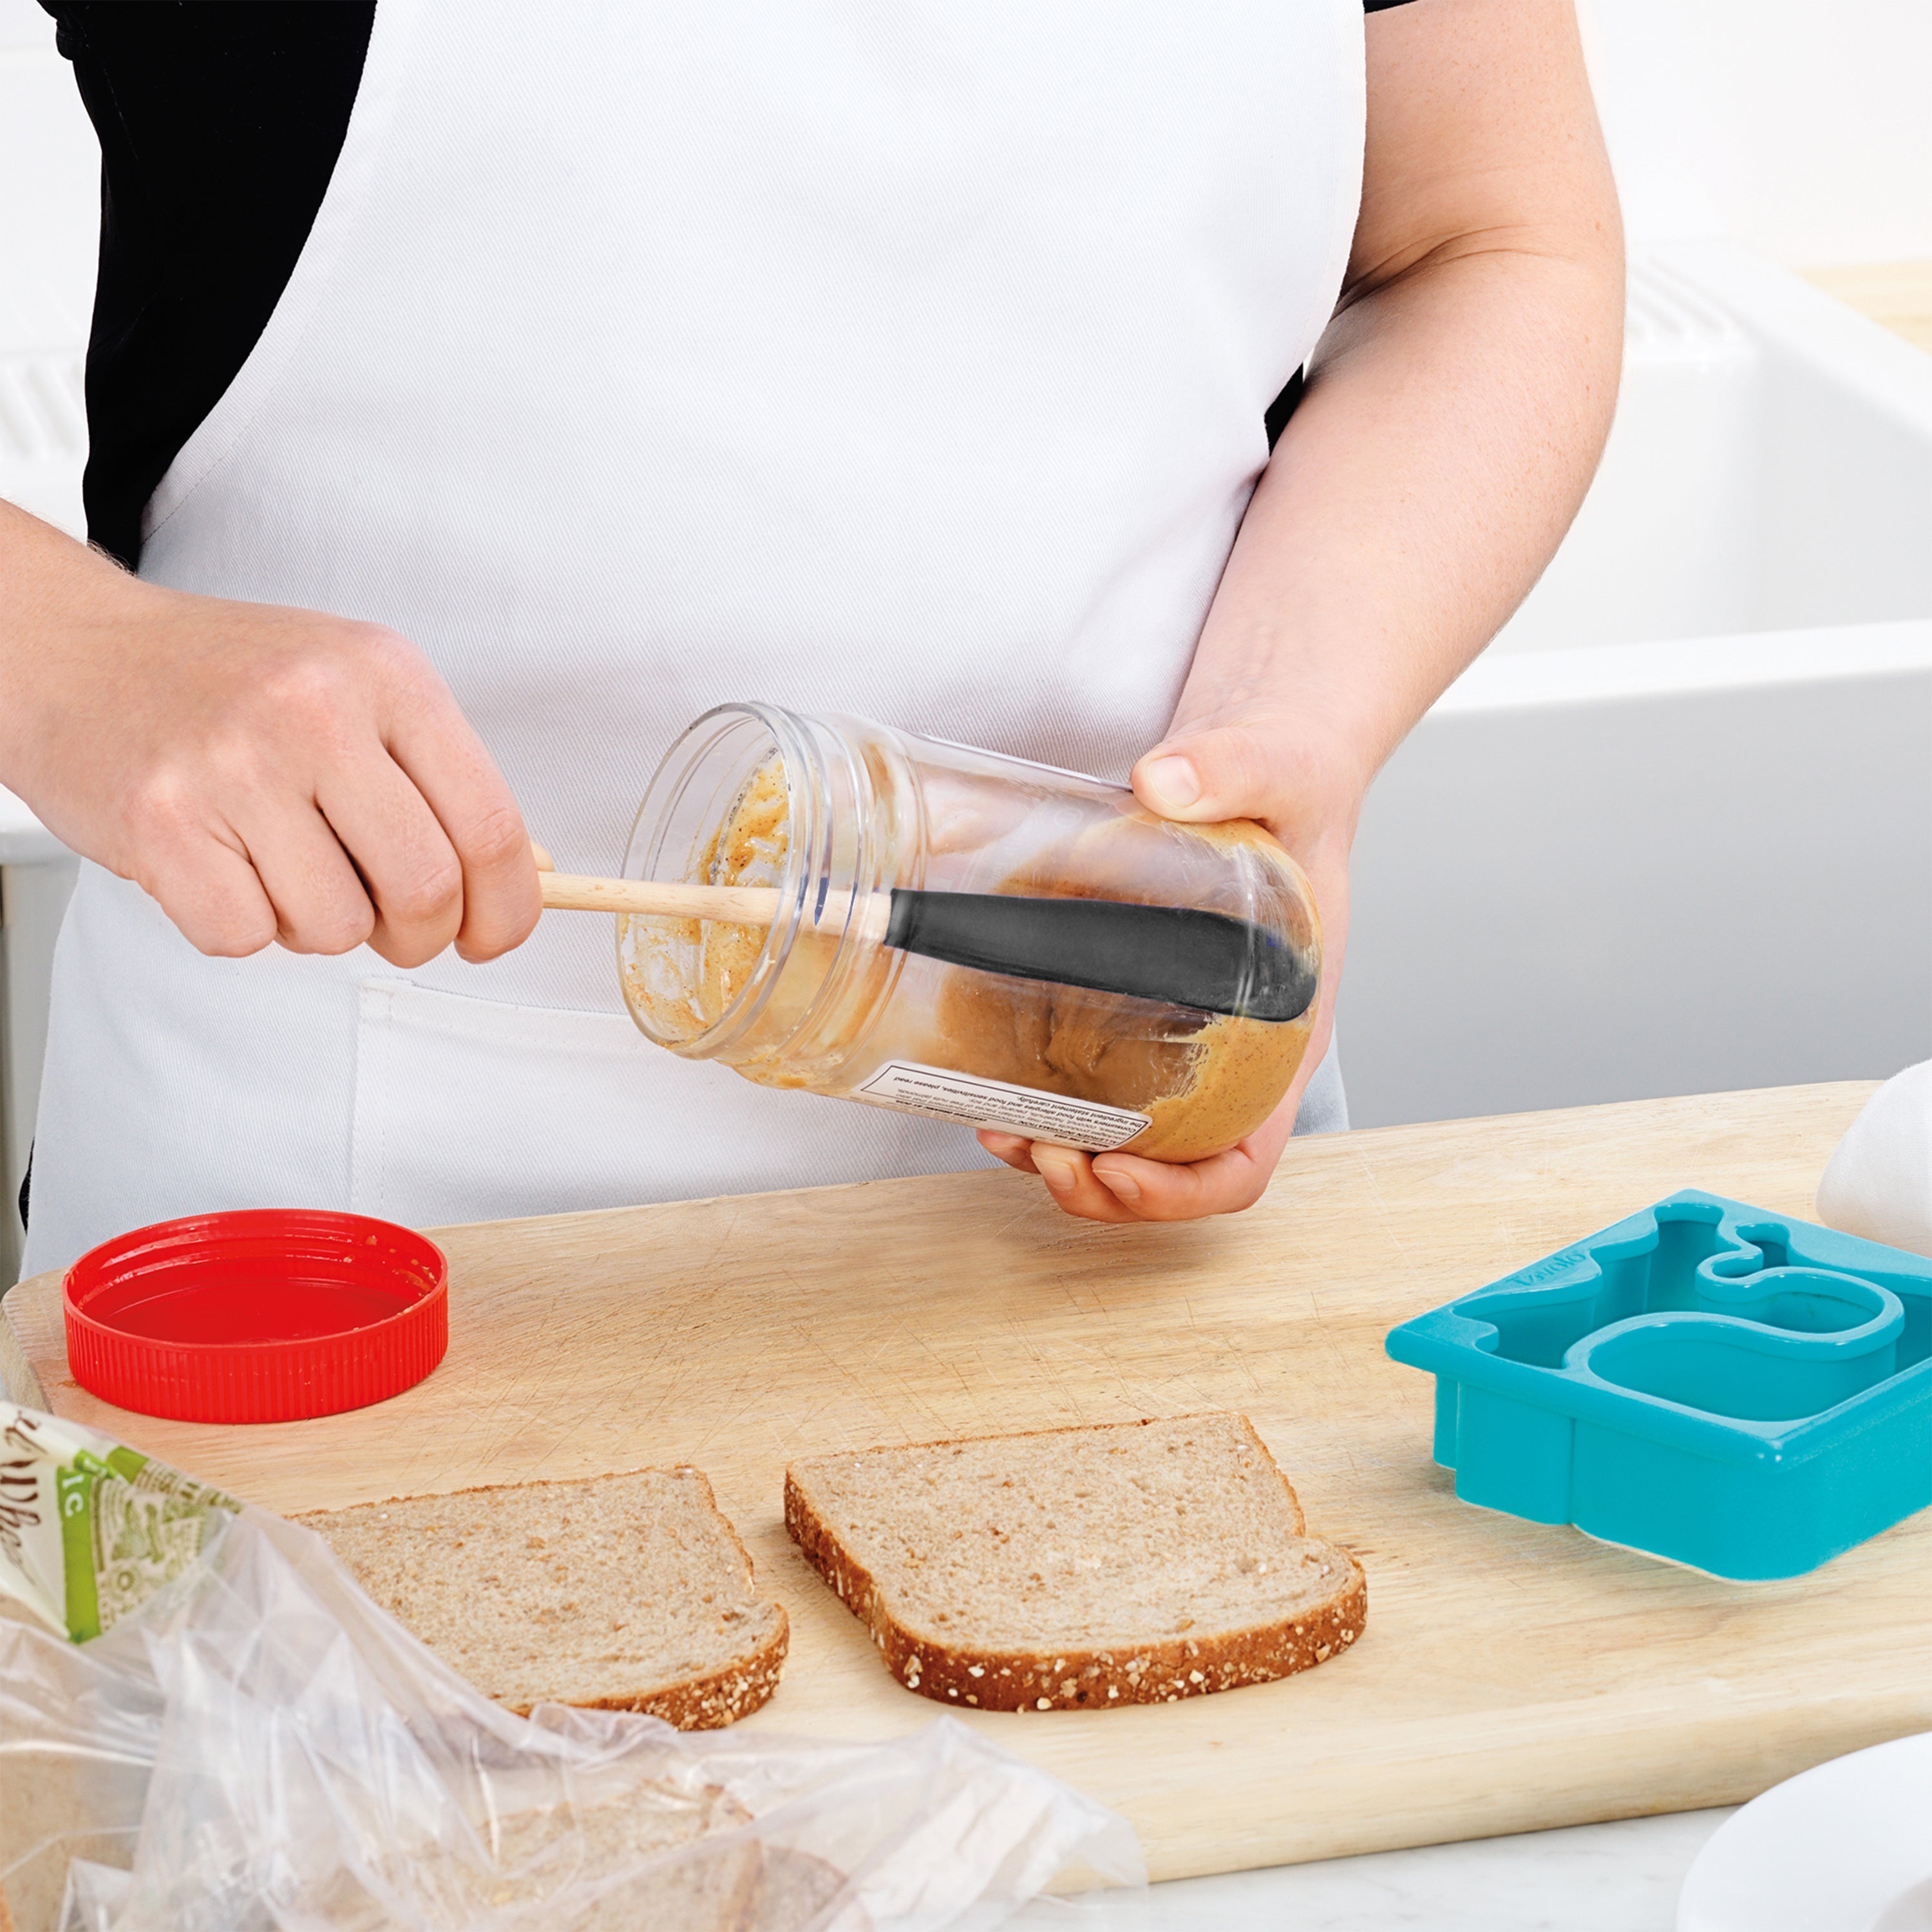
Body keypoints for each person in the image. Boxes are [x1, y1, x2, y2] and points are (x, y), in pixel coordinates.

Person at [3, 0, 1622, 1274]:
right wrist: (73, 658)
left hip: (1123, 1136)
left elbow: (1482, 239)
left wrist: (1297, 729)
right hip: (344, 1227)